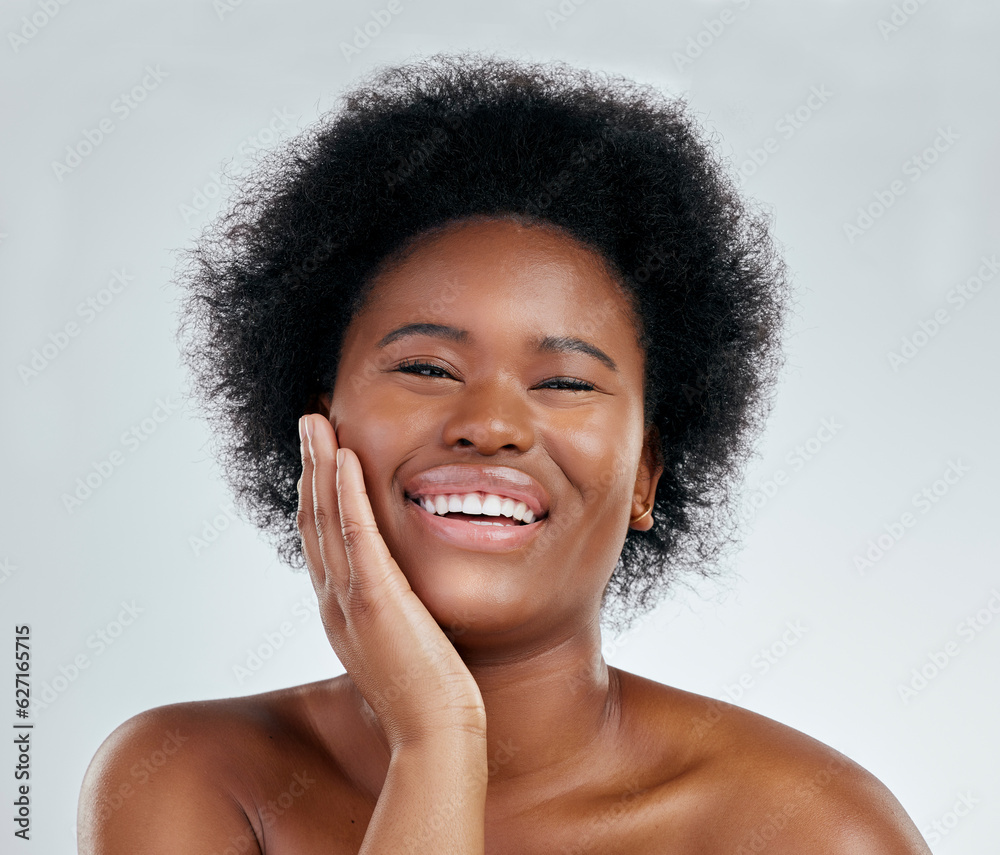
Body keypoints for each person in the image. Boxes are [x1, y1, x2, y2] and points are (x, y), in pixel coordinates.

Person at [78, 54, 931, 854]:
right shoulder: (190, 776)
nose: (490, 424)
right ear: (317, 428)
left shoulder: (809, 828)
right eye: (424, 366)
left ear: (646, 477)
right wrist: (438, 738)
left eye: (564, 382)